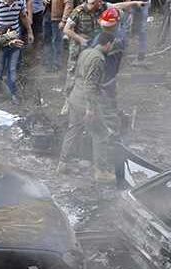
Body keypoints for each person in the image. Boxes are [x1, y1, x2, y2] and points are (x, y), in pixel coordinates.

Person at [59, 31, 121, 185]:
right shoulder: (98, 59)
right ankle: (101, 171)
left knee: (73, 129)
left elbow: (77, 75)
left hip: (74, 96)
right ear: (107, 44)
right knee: (100, 133)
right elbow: (90, 86)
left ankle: (62, 164)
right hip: (84, 102)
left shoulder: (86, 52)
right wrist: (90, 108)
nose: (111, 48)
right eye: (112, 45)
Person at [0, 0, 32, 103]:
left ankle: (12, 94)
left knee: (12, 69)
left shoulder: (19, 2)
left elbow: (23, 17)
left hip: (16, 40)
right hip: (1, 41)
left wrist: (30, 32)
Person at [42, 0, 64, 70]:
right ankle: (48, 62)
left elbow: (68, 4)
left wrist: (64, 20)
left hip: (57, 17)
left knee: (56, 40)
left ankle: (57, 63)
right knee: (47, 39)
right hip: (47, 14)